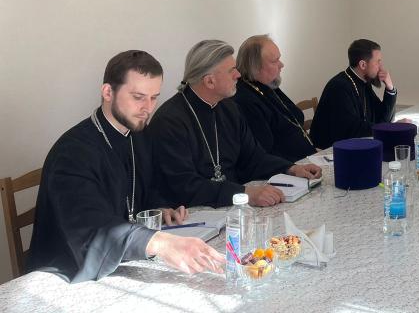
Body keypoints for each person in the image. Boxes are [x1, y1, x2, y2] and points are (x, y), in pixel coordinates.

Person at [28, 51, 224, 283]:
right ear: (107, 92)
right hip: (67, 273)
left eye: (154, 97)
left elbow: (143, 190)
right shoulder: (72, 153)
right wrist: (161, 243)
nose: (148, 108)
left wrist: (159, 209)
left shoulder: (137, 135)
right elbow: (92, 228)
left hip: (123, 262)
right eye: (138, 97)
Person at [149, 40, 321, 209]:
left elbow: (253, 157)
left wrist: (291, 168)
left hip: (232, 206)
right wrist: (245, 194)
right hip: (193, 213)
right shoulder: (169, 121)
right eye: (232, 70)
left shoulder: (229, 108)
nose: (238, 74)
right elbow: (184, 185)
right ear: (209, 81)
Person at [232, 35, 317, 162]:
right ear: (254, 66)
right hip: (286, 167)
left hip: (307, 157)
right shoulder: (244, 99)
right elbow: (264, 150)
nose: (282, 65)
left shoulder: (268, 84)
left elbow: (293, 117)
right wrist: (295, 167)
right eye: (274, 61)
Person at [310, 39, 397, 150]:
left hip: (355, 144)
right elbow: (352, 129)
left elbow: (382, 118)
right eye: (378, 62)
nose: (381, 67)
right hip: (329, 151)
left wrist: (390, 88)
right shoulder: (339, 87)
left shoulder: (363, 82)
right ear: (363, 64)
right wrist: (389, 128)